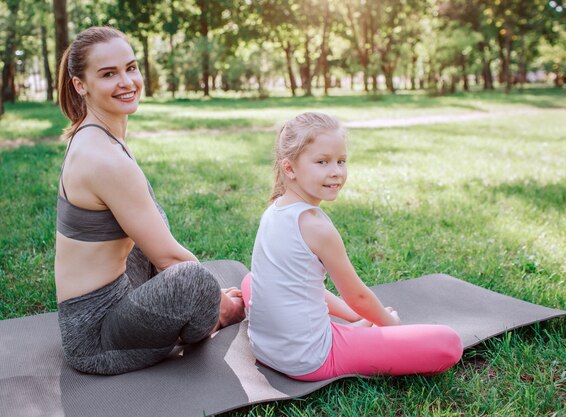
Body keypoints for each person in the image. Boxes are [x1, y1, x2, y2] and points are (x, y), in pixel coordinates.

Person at [55, 26, 245, 375]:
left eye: (131, 67)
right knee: (193, 278)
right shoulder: (105, 158)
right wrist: (220, 302)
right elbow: (169, 257)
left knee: (149, 222)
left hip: (105, 304)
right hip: (97, 341)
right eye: (109, 74)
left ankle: (200, 305)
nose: (127, 81)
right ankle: (216, 315)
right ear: (81, 85)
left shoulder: (93, 133)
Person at [241, 112, 463, 381]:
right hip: (310, 358)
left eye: (341, 161)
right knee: (448, 343)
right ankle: (357, 329)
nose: (335, 171)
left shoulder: (274, 210)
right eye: (322, 162)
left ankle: (354, 324)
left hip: (264, 347)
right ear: (290, 169)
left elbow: (304, 286)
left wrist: (354, 317)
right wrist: (388, 323)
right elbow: (357, 297)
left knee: (254, 280)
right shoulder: (317, 227)